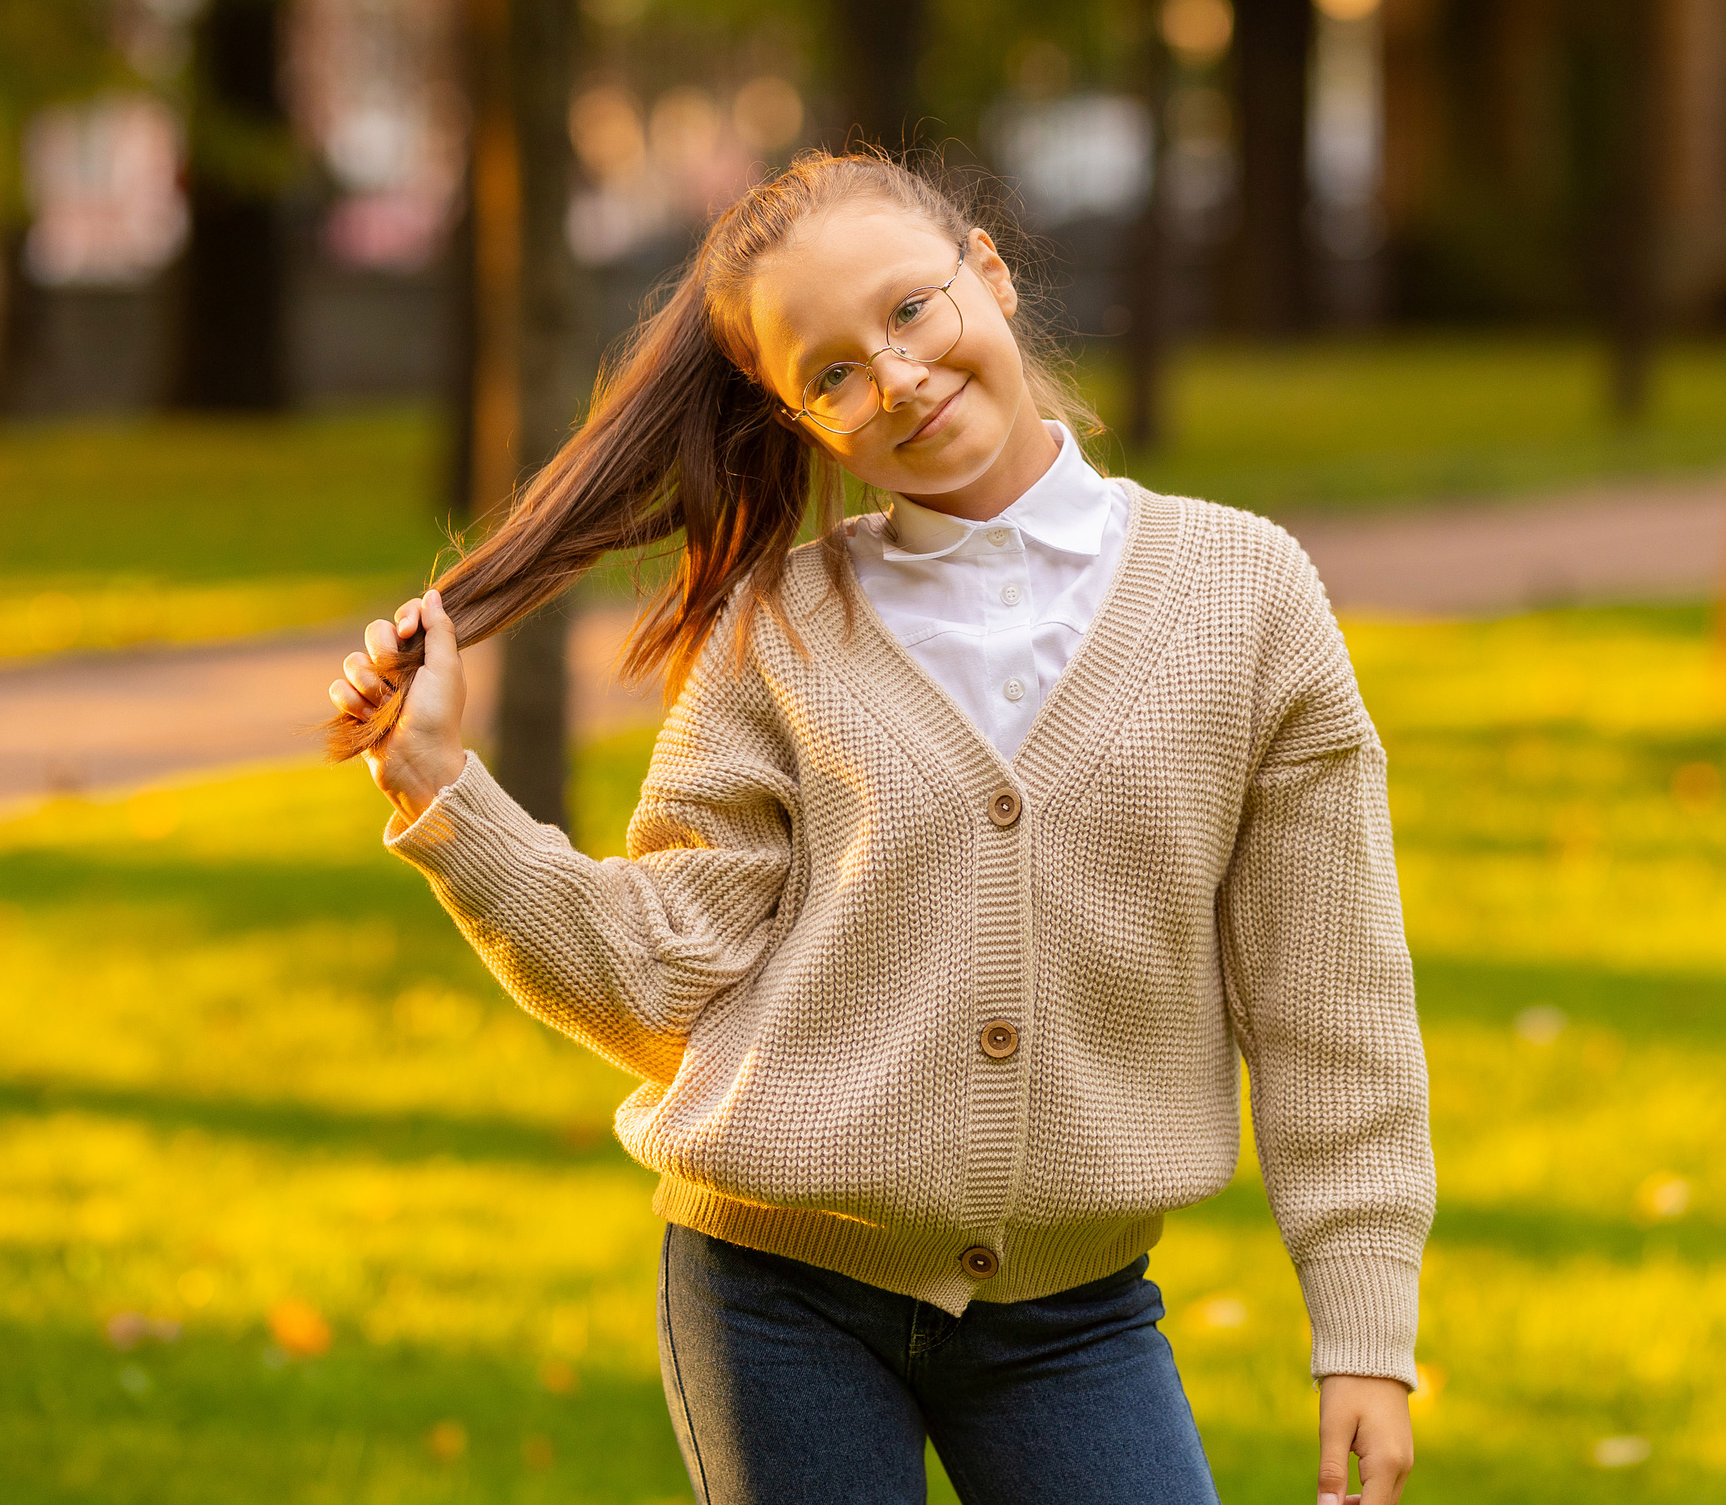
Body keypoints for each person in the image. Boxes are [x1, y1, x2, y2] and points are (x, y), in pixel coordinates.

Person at [324, 152, 1433, 1505]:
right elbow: (666, 978)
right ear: (802, 421)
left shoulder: (1247, 596)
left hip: (1073, 1316)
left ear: (991, 271)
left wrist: (1365, 1334)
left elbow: (1335, 1004)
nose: (895, 378)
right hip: (774, 1300)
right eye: (832, 373)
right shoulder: (778, 630)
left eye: (909, 311)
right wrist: (445, 792)